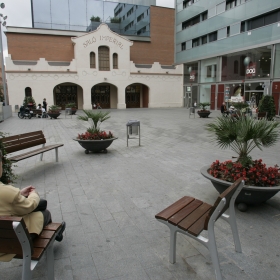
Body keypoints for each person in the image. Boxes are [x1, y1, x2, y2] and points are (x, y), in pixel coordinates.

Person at [0, 150, 65, 261]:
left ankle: (56, 234)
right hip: (11, 244)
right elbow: (29, 205)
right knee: (44, 212)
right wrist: (33, 194)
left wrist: (19, 194)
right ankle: (56, 234)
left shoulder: (6, 193)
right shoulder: (7, 192)